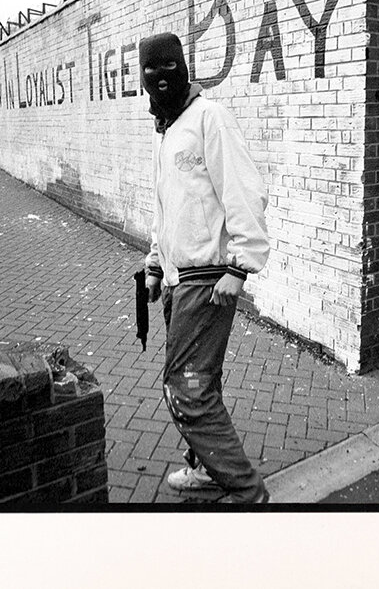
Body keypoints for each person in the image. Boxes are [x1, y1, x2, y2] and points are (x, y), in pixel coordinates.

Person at [139, 32, 271, 504]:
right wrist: (155, 264)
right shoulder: (167, 130)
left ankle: (247, 492)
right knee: (202, 381)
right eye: (149, 71)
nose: (159, 79)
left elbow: (245, 192)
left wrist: (241, 266)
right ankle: (202, 467)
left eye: (168, 69)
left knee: (185, 390)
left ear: (184, 68)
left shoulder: (208, 119)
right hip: (178, 280)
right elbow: (165, 207)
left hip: (209, 280)